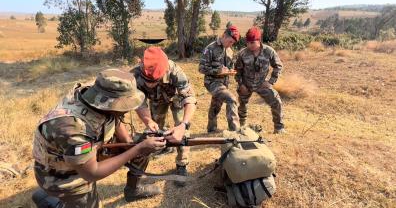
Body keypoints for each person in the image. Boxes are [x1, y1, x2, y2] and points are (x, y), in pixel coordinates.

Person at [32, 69, 167, 208]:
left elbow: (115, 116)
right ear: (110, 102)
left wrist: (129, 144)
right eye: (125, 105)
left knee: (140, 146)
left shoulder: (100, 93)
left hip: (91, 147)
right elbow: (92, 173)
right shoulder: (72, 128)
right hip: (62, 174)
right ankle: (52, 201)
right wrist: (137, 149)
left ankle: (134, 189)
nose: (128, 109)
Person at [130, 46, 197, 187]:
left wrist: (184, 124)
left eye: (154, 81)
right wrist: (148, 120)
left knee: (181, 130)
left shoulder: (174, 71)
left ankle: (182, 164)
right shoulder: (134, 75)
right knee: (156, 128)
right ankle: (166, 146)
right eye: (147, 80)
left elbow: (190, 97)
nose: (149, 84)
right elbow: (139, 103)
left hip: (177, 98)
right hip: (156, 101)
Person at [235, 27, 285, 134]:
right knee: (242, 105)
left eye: (252, 42)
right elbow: (237, 71)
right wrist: (241, 84)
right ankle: (242, 126)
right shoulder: (242, 53)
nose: (249, 45)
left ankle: (279, 128)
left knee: (276, 101)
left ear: (259, 40)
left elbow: (278, 66)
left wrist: (270, 82)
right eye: (247, 43)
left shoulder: (269, 51)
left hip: (262, 84)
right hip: (246, 84)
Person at [199, 24, 241, 132]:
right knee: (232, 100)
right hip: (212, 82)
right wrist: (218, 71)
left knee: (216, 104)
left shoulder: (230, 51)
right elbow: (201, 68)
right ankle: (235, 132)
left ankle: (211, 128)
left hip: (224, 83)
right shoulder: (210, 48)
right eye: (230, 41)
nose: (231, 44)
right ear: (224, 35)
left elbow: (229, 67)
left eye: (233, 43)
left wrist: (231, 71)